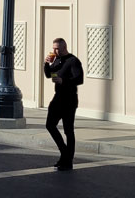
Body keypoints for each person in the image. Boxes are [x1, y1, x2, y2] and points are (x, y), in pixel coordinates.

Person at [43, 37, 84, 171]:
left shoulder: (73, 61)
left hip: (69, 99)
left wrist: (63, 81)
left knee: (68, 130)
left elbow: (79, 79)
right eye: (53, 48)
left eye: (57, 48)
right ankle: (65, 153)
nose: (54, 51)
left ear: (64, 48)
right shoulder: (57, 60)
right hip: (58, 98)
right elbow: (49, 75)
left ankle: (67, 161)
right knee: (50, 125)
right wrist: (46, 64)